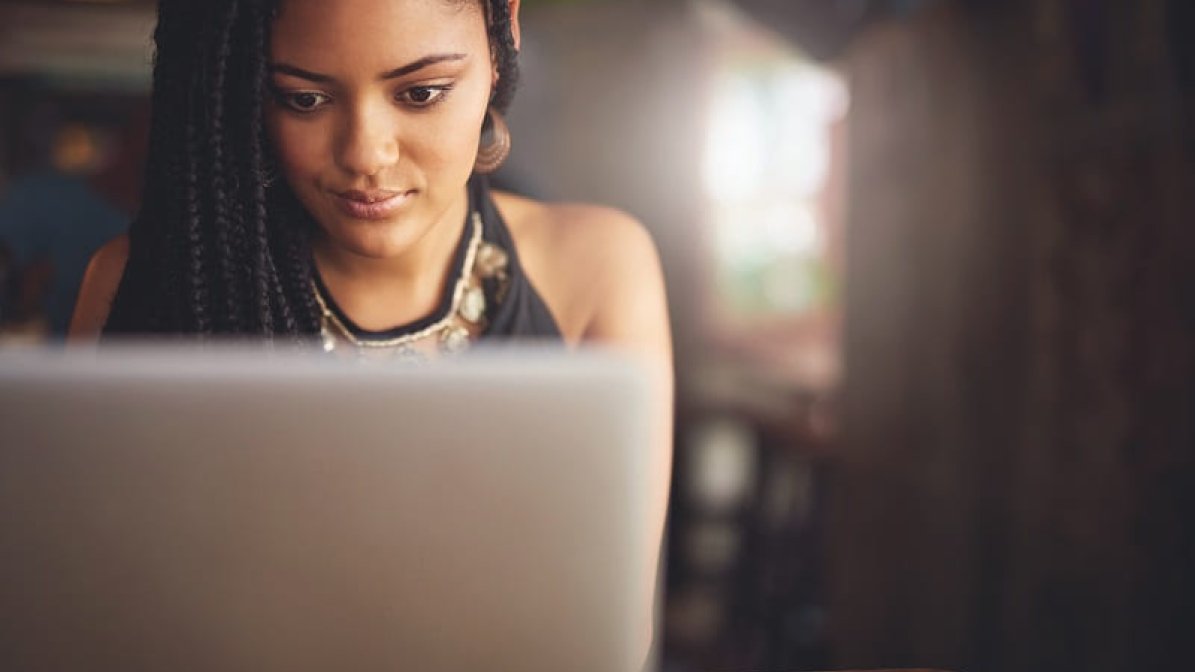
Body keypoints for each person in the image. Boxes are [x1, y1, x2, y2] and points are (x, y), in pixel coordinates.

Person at [68, 0, 672, 662]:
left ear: (504, 39)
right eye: (303, 100)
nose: (365, 154)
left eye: (421, 93)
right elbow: (95, 620)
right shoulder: (145, 283)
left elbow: (613, 637)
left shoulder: (596, 266)